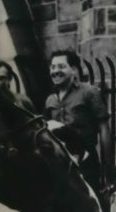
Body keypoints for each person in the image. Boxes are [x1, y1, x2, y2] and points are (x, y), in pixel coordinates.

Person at [43, 50, 111, 191]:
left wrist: (108, 168)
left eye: (61, 66)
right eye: (53, 67)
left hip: (86, 163)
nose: (55, 71)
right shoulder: (50, 100)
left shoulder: (89, 92)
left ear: (73, 70)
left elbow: (104, 130)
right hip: (59, 164)